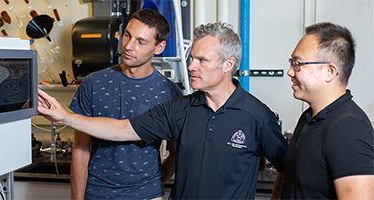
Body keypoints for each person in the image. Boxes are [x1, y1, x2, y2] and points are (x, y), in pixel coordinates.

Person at [38, 22, 288, 199]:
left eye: (201, 60)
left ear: (228, 64)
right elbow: (120, 129)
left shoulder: (258, 116)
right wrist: (64, 116)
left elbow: (288, 169)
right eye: (191, 58)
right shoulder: (179, 109)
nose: (191, 66)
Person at [69, 9, 182, 200]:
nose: (129, 46)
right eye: (127, 35)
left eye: (141, 42)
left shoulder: (169, 93)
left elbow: (176, 153)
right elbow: (81, 150)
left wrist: (152, 185)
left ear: (159, 47)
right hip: (97, 193)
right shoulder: (93, 83)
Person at [282, 22, 374, 199]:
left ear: (330, 71)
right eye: (291, 62)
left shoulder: (348, 127)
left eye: (298, 64)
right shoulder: (308, 118)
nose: (290, 72)